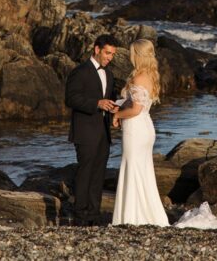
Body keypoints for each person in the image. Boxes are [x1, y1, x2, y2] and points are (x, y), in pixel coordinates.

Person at [110, 38, 170, 226]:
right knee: (143, 170)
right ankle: (147, 216)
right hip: (146, 127)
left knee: (132, 168)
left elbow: (135, 109)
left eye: (132, 53)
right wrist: (121, 106)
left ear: (138, 55)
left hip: (135, 128)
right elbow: (140, 105)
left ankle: (130, 218)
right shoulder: (151, 76)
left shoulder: (137, 78)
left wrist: (117, 114)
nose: (130, 56)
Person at [64, 33, 119, 226]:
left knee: (98, 175)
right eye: (107, 53)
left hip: (103, 132)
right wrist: (97, 103)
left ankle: (94, 215)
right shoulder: (80, 71)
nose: (109, 57)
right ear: (97, 49)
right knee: (85, 173)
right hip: (85, 131)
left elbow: (110, 97)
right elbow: (71, 99)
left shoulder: (109, 73)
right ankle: (79, 216)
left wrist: (115, 108)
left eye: (112, 54)